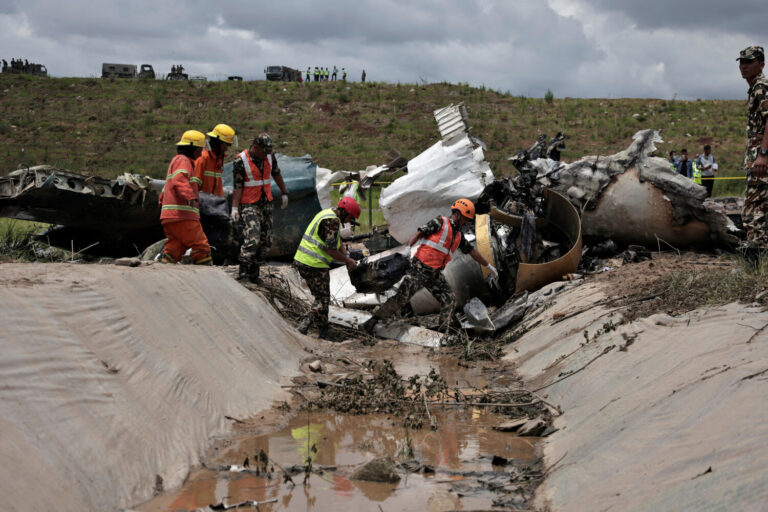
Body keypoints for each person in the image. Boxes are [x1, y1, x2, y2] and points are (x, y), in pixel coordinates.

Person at [361, 199, 499, 334]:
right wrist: (408, 247)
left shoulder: (459, 236)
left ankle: (444, 330)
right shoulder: (440, 222)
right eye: (465, 218)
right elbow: (420, 232)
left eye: (468, 220)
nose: (466, 222)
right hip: (419, 269)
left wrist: (488, 266)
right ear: (457, 214)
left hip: (435, 275)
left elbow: (473, 252)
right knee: (401, 299)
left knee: (449, 299)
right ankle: (372, 322)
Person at [294, 197, 361, 339]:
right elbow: (331, 251)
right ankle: (307, 325)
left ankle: (323, 331)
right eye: (350, 217)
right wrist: (348, 261)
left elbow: (336, 240)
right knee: (323, 299)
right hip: (314, 264)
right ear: (345, 212)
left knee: (321, 297)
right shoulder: (332, 221)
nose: (349, 221)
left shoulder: (326, 214)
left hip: (302, 260)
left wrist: (345, 254)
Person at [231, 133, 289, 282]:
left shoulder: (269, 156)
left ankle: (254, 273)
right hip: (249, 204)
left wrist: (284, 193)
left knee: (265, 241)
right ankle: (243, 272)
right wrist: (235, 208)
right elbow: (237, 186)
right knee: (253, 239)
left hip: (266, 203)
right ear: (255, 147)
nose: (266, 154)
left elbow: (276, 174)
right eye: (264, 151)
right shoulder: (240, 160)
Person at [159, 130, 212, 265]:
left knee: (175, 247)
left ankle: (163, 272)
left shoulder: (175, 162)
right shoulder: (183, 161)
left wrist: (162, 204)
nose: (201, 153)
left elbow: (168, 187)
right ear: (193, 148)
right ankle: (207, 278)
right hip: (183, 216)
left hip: (170, 217)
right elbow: (179, 179)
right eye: (199, 149)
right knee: (201, 246)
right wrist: (190, 197)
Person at [738, 45, 768, 260]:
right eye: (741, 62)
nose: (744, 66)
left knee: (754, 211)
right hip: (757, 157)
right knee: (758, 208)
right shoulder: (755, 88)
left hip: (761, 159)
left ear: (761, 64)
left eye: (749, 62)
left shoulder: (761, 87)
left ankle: (757, 263)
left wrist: (763, 154)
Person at [194, 124, 235, 197]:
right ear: (217, 143)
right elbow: (194, 186)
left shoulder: (217, 161)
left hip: (214, 205)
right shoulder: (203, 158)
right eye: (226, 145)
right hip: (203, 205)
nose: (226, 149)